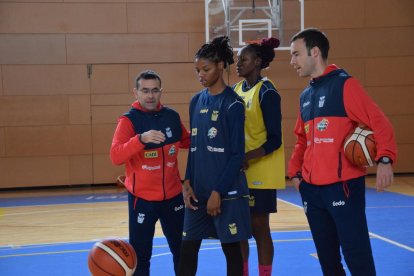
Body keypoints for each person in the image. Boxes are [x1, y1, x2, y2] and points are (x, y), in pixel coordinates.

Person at [288, 28, 397, 276]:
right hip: (312, 192)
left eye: (296, 54)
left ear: (314, 52)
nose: (292, 61)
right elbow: (301, 139)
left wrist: (385, 158)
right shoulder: (306, 95)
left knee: (356, 255)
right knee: (327, 260)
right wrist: (295, 174)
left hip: (343, 187)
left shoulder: (345, 85)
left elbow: (379, 121)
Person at [178, 36, 252, 276]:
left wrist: (217, 193)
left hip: (225, 193)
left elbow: (236, 155)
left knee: (231, 251)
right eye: (197, 70)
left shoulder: (233, 105)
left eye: (206, 69)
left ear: (221, 66)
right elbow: (195, 147)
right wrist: (187, 182)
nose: (200, 74)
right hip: (197, 192)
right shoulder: (195, 101)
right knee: (187, 250)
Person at [110, 70, 190, 276]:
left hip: (173, 198)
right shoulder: (128, 121)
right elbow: (116, 156)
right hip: (142, 199)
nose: (150, 96)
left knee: (182, 251)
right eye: (145, 91)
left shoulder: (171, 116)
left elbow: (187, 141)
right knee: (140, 256)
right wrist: (140, 139)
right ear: (135, 92)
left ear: (161, 92)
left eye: (155, 90)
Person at [233, 37, 285, 276]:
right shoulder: (236, 90)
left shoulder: (268, 92)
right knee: (240, 228)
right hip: (239, 168)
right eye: (237, 59)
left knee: (259, 228)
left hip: (260, 169)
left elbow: (275, 139)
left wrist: (247, 157)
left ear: (257, 62)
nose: (238, 63)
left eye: (243, 59)